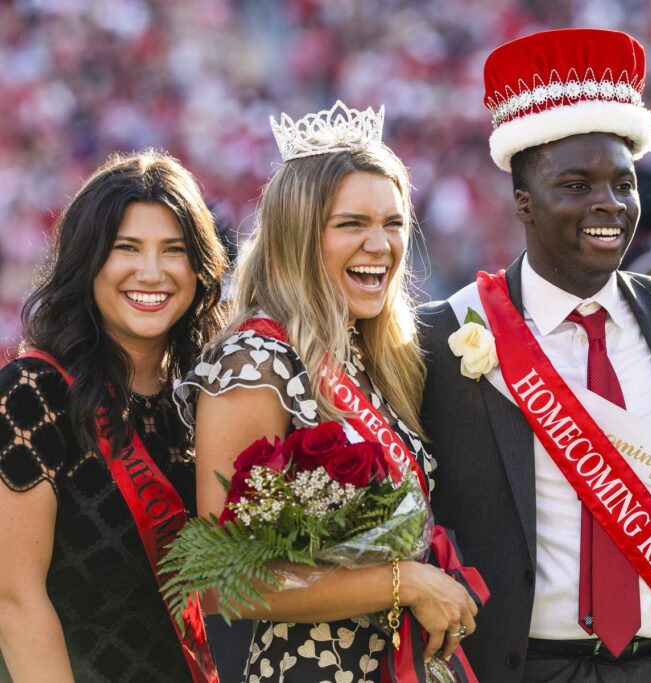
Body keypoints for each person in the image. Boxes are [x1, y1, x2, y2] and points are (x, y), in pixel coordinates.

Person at [419, 28, 651, 683]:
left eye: (622, 184)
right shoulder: (444, 338)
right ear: (523, 203)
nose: (609, 204)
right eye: (577, 183)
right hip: (527, 665)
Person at [173, 100, 480, 681]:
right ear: (297, 236)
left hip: (397, 659)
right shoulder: (253, 362)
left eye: (393, 224)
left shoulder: (373, 357)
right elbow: (219, 583)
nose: (381, 244)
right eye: (351, 224)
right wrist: (405, 582)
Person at [0, 150, 227, 682]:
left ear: (199, 267)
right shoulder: (33, 392)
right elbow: (14, 600)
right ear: (88, 260)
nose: (151, 272)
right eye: (126, 248)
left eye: (173, 251)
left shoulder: (209, 397)